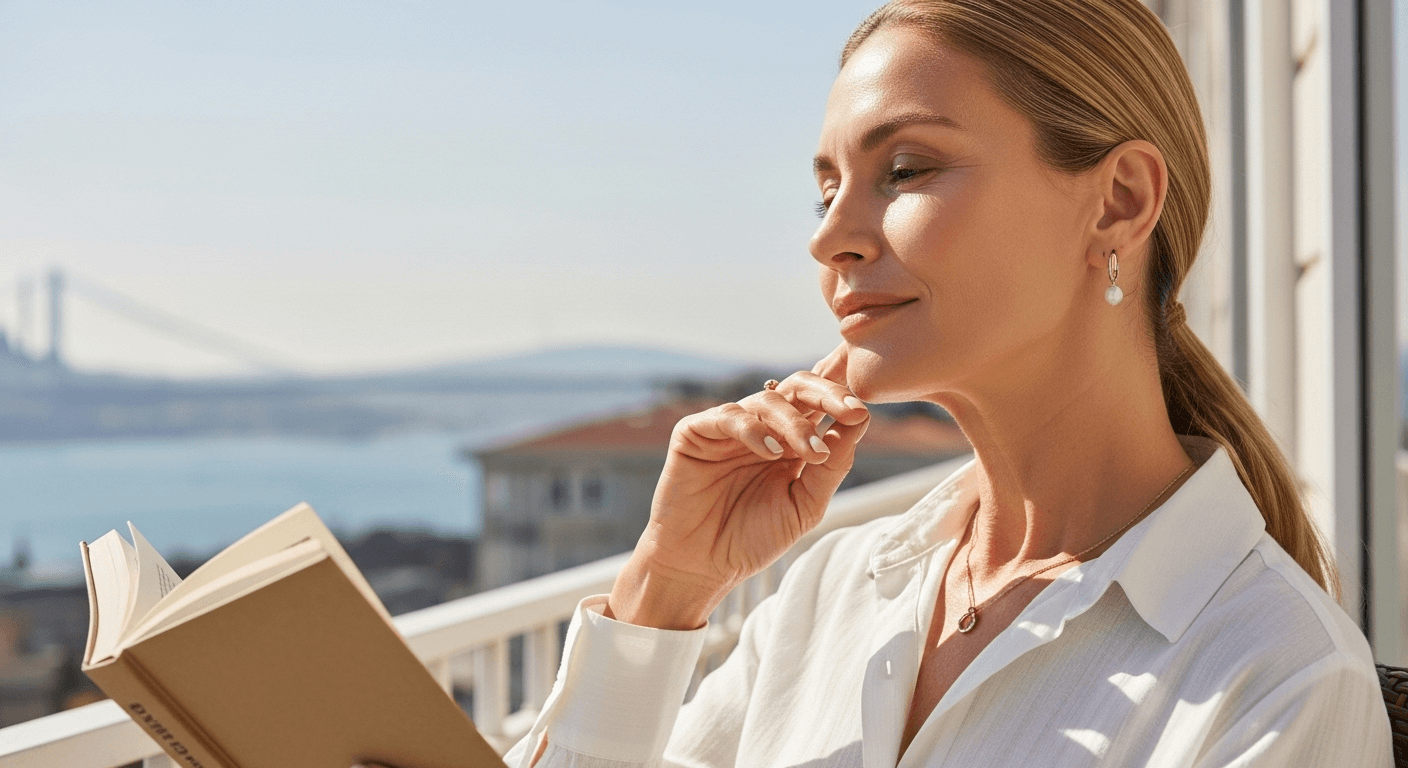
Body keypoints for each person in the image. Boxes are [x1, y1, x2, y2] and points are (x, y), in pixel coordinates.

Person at [364, 1, 1393, 766]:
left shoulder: (1276, 679)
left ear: (1119, 201)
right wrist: (666, 587)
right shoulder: (829, 593)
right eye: (826, 189)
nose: (830, 239)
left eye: (904, 171)